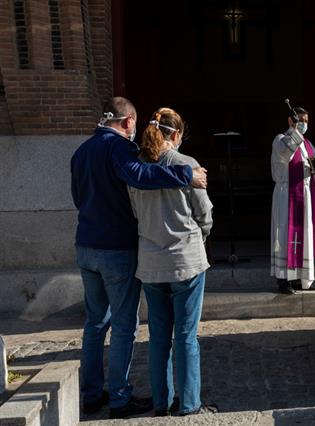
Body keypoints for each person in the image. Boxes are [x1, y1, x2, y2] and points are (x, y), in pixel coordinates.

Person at [70, 97, 208, 419]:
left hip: (86, 244)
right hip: (117, 248)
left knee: (94, 323)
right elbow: (141, 177)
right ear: (129, 122)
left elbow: (78, 197)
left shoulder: (81, 151)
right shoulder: (120, 149)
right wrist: (185, 174)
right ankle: (119, 398)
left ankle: (92, 395)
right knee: (123, 325)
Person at [127, 107, 216, 416]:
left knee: (158, 337)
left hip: (151, 262)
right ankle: (189, 402)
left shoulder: (137, 168)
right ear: (176, 135)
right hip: (185, 260)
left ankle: (161, 402)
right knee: (186, 337)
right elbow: (204, 212)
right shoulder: (186, 164)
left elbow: (136, 214)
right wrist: (202, 234)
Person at [270, 104, 315, 294]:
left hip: (305, 195)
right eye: (300, 120)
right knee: (285, 235)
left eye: (306, 122)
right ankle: (284, 280)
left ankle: (301, 280)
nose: (303, 125)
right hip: (287, 195)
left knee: (304, 235)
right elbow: (285, 153)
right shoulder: (281, 140)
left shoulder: (309, 145)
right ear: (290, 120)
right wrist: (295, 131)